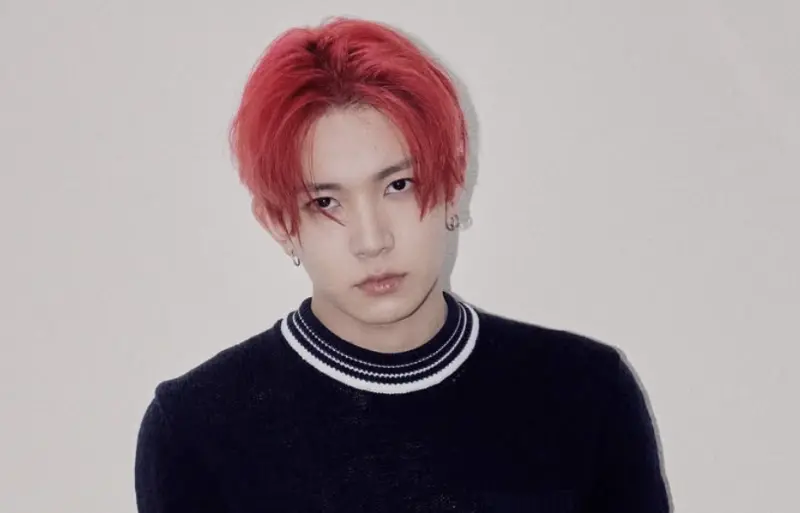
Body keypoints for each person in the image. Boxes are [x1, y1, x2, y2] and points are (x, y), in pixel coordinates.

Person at [134, 16, 670, 513]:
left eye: (398, 185)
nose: (372, 241)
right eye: (326, 202)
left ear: (452, 184)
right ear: (278, 223)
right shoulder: (196, 430)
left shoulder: (584, 394)